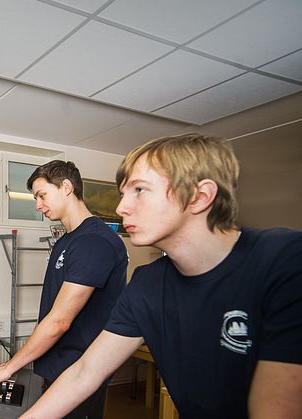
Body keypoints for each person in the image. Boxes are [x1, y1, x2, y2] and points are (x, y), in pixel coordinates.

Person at [17, 134, 302, 419]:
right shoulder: (147, 283)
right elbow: (84, 373)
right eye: (124, 192)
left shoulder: (282, 260)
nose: (120, 208)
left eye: (139, 190)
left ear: (199, 196)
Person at [0, 160, 128, 419]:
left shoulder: (95, 241)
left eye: (42, 195)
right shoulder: (68, 240)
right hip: (56, 367)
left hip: (78, 372)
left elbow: (59, 321)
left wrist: (9, 367)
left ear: (67, 187)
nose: (38, 205)